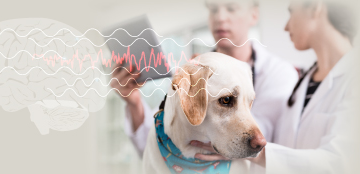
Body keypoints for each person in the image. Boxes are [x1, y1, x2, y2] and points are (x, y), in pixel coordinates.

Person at [110, 0, 299, 157]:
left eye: (231, 7)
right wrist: (134, 103)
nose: (220, 17)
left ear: (254, 15)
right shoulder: (192, 75)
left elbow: (259, 139)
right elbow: (153, 145)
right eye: (213, 8)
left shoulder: (280, 74)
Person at [191, 0, 359, 173]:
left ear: (315, 7)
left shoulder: (353, 77)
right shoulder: (305, 81)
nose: (286, 27)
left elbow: (343, 163)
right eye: (212, 9)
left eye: (291, 11)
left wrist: (249, 150)